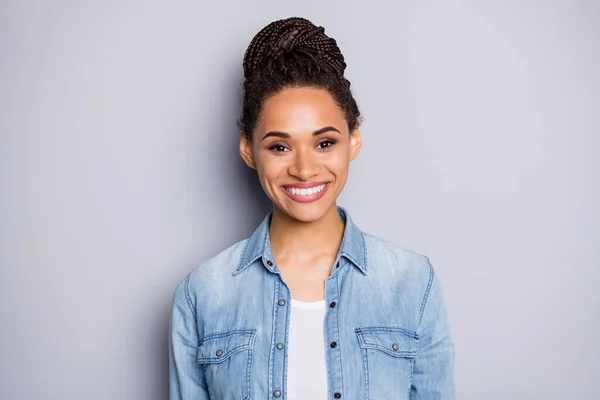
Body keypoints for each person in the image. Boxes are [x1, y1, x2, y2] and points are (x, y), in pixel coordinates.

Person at [169, 17, 454, 400]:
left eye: (324, 143)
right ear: (247, 149)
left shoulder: (413, 282)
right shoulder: (203, 293)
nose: (304, 169)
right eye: (279, 147)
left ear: (353, 140)